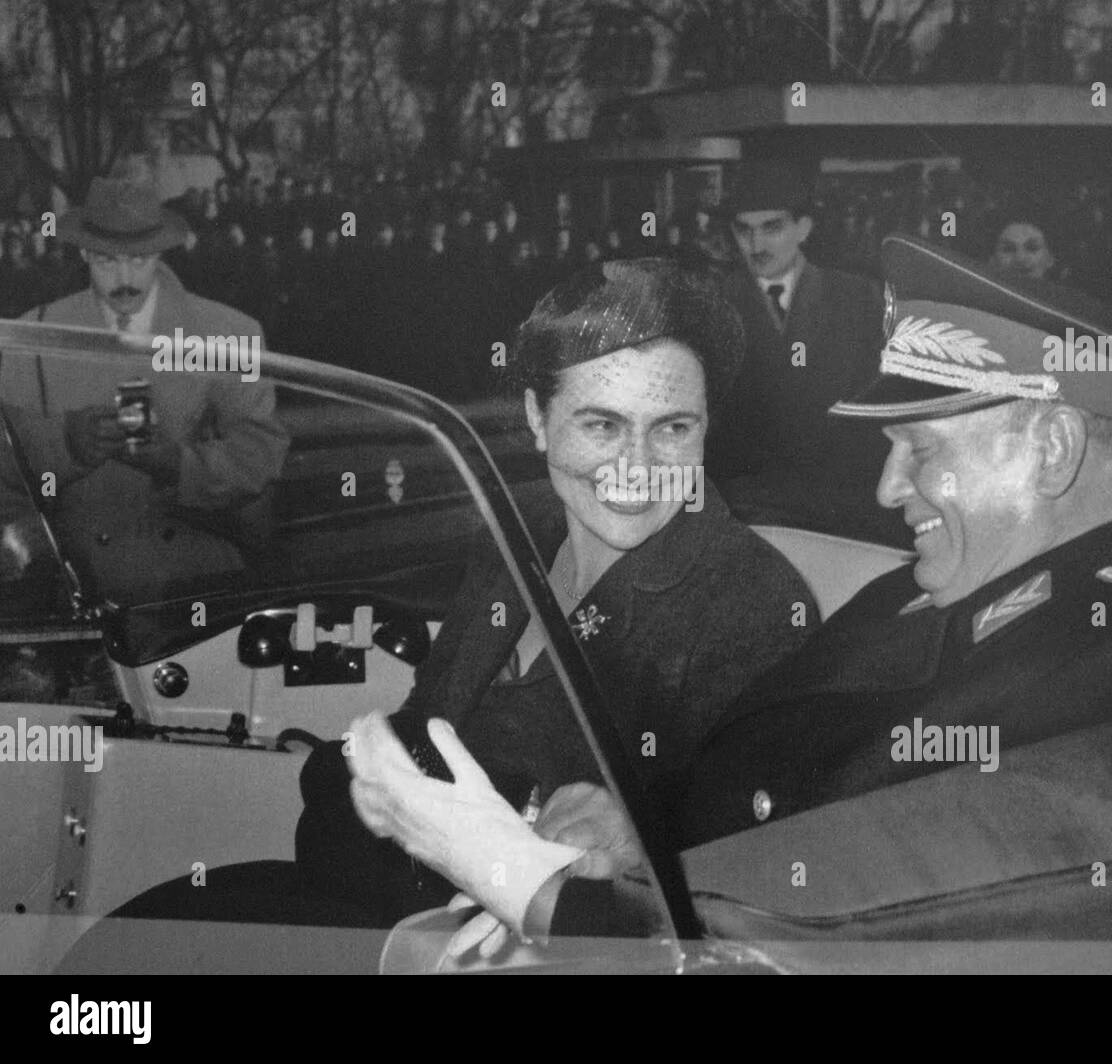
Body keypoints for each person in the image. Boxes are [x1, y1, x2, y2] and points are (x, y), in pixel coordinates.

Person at [346, 234, 1112, 960]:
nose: (887, 491)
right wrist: (635, 836)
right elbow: (759, 805)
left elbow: (853, 945)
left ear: (1052, 451)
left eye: (924, 450)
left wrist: (524, 880)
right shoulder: (917, 596)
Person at [51, 258, 818, 959]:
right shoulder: (521, 546)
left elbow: (744, 872)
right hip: (392, 906)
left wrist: (635, 844)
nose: (637, 469)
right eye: (602, 424)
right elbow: (413, 738)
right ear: (537, 418)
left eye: (672, 429)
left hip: (506, 954)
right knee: (123, 948)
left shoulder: (751, 601)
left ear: (707, 427)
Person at [0, 177, 289, 602]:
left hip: (197, 586)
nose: (124, 278)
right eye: (106, 261)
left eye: (138, 260)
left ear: (159, 252)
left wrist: (177, 463)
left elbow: (260, 455)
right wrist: (65, 444)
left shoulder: (228, 334)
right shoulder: (36, 337)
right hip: (75, 587)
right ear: (83, 253)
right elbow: (4, 466)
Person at [706, 161, 893, 542]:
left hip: (843, 512)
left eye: (772, 228)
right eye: (744, 230)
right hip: (747, 514)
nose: (756, 246)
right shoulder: (712, 303)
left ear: (803, 228)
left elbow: (877, 408)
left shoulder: (858, 298)